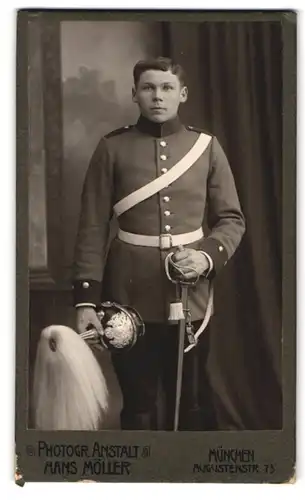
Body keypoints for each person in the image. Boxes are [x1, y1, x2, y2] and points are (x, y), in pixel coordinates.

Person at [72, 57, 246, 431]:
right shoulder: (111, 148)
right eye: (148, 88)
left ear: (182, 94)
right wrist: (86, 299)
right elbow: (90, 226)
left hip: (191, 293)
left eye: (167, 88)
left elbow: (231, 219)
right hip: (126, 296)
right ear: (134, 94)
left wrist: (206, 257)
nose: (157, 96)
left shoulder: (206, 147)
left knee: (192, 402)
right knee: (138, 404)